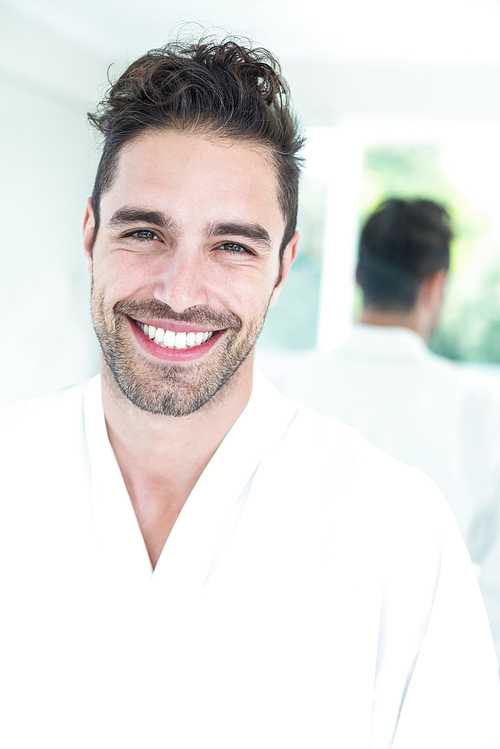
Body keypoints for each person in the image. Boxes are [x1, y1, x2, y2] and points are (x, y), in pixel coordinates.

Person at [0, 41, 498, 749]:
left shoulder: (399, 536)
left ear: (283, 266)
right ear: (90, 235)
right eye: (145, 231)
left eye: (233, 246)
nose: (178, 292)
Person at [268, 197, 500, 666]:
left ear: (358, 276)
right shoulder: (476, 407)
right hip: (429, 678)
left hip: (288, 665)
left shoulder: (282, 386)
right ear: (437, 286)